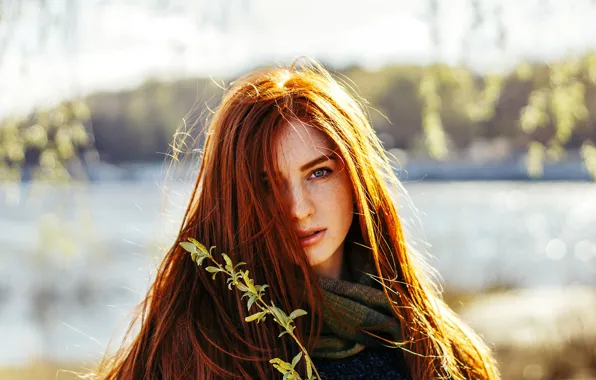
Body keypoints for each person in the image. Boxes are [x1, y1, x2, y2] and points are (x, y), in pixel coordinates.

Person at [94, 58, 500, 379]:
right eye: (268, 185)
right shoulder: (198, 350)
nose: (298, 208)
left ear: (355, 176)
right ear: (235, 199)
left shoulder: (442, 346)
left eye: (318, 172)